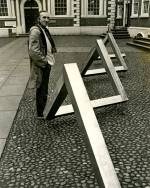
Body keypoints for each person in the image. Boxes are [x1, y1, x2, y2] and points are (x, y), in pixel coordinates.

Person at [28, 10, 57, 119]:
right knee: (41, 88)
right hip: (42, 65)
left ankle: (43, 108)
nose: (46, 20)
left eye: (48, 18)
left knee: (44, 88)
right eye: (44, 17)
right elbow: (33, 51)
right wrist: (45, 62)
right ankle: (41, 113)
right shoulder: (36, 31)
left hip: (46, 63)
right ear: (39, 19)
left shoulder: (44, 29)